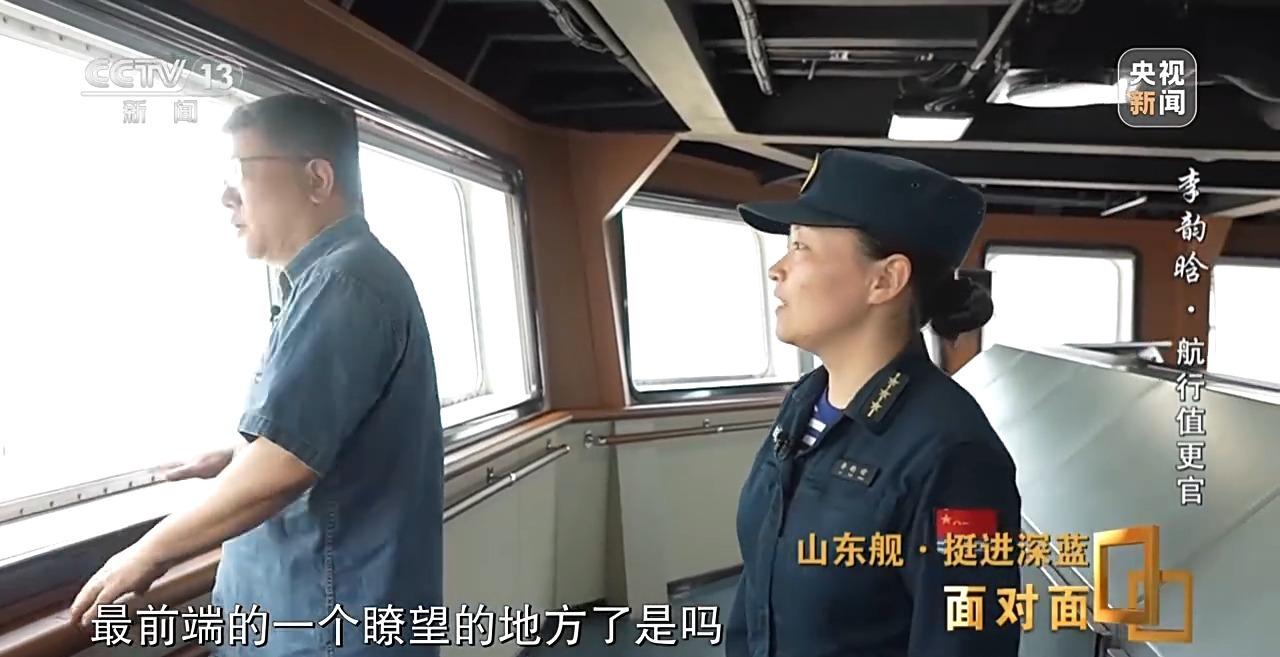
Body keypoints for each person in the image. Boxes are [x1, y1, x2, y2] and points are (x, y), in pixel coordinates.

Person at [69, 93, 444, 656]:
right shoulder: (337, 279)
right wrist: (239, 456)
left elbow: (286, 465)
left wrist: (149, 552)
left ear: (317, 179)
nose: (226, 196)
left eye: (241, 172)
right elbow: (321, 440)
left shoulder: (344, 284)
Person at [725, 148, 1021, 657]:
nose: (777, 269)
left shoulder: (956, 456)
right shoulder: (805, 401)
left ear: (884, 280)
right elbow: (757, 588)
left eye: (801, 247)